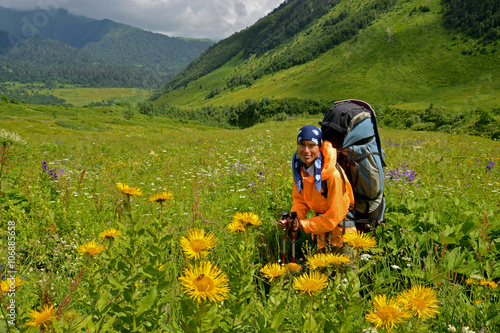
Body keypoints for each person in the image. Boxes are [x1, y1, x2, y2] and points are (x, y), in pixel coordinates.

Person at [278, 125, 355, 254]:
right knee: (318, 274)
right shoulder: (300, 171)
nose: (306, 150)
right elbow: (300, 201)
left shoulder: (333, 175)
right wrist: (293, 219)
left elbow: (334, 216)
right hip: (321, 236)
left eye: (311, 145)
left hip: (342, 238)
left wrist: (303, 225)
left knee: (343, 274)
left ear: (319, 147)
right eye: (302, 144)